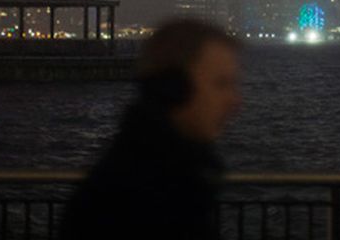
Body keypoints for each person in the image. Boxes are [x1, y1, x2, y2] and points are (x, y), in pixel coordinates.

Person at [60, 19, 243, 240]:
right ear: (174, 87)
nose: (235, 101)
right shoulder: (145, 199)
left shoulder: (143, 174)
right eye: (221, 84)